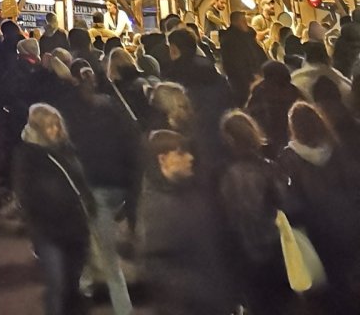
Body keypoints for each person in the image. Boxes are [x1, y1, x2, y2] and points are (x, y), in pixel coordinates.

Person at [64, 64, 139, 315]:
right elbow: (131, 147)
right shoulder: (115, 111)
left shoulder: (76, 116)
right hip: (117, 185)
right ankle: (84, 282)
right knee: (94, 235)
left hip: (96, 187)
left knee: (106, 251)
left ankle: (123, 308)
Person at [137, 130, 234, 315]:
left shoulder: (194, 192)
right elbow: (159, 266)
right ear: (162, 160)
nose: (190, 158)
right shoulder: (155, 208)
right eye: (181, 153)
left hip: (214, 300)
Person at [12, 103, 92, 315]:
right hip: (48, 231)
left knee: (72, 283)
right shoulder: (29, 156)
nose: (55, 130)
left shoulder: (68, 149)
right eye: (49, 126)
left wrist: (89, 205)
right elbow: (25, 194)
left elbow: (81, 183)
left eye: (57, 125)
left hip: (75, 227)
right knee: (56, 285)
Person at [279, 100, 359, 311]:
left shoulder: (289, 157)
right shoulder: (334, 147)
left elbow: (291, 200)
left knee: (331, 277)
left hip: (317, 228)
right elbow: (353, 181)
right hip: (347, 219)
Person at [216, 110, 290, 315]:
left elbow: (225, 218)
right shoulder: (268, 169)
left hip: (244, 254)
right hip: (275, 247)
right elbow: (285, 204)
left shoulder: (223, 175)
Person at [246, 60, 300, 154]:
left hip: (269, 141)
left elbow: (252, 115)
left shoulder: (260, 91)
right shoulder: (293, 91)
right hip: (293, 138)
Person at [218, 10, 269, 105]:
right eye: (243, 21)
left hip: (256, 78)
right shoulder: (231, 41)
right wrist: (250, 77)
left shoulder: (247, 37)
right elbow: (235, 64)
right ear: (235, 22)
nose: (246, 24)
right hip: (243, 84)